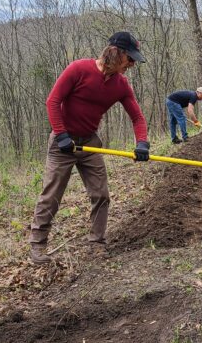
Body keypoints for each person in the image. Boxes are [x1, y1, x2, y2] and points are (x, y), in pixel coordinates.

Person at [29, 31, 150, 264]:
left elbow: (137, 117)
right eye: (130, 59)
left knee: (101, 194)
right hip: (62, 143)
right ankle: (38, 245)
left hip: (90, 143)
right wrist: (62, 135)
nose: (133, 64)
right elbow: (52, 101)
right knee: (51, 195)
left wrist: (142, 142)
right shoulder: (78, 69)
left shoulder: (121, 85)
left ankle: (96, 243)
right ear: (116, 54)